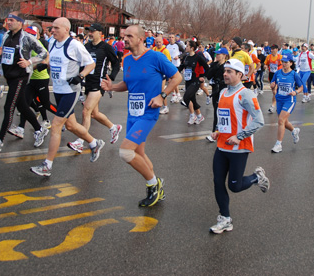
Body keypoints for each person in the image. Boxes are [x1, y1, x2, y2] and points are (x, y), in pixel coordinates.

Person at [101, 24, 182, 207]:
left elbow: (177, 78)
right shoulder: (127, 59)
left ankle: (153, 185)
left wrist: (162, 96)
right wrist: (112, 87)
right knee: (139, 153)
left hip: (148, 112)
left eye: (129, 36)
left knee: (125, 152)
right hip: (133, 113)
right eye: (124, 36)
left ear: (140, 38)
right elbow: (128, 84)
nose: (125, 39)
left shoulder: (156, 57)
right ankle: (156, 183)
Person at [30, 18, 105, 177]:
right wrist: (44, 65)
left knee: (57, 125)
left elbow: (90, 64)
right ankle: (94, 143)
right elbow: (53, 60)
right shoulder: (52, 42)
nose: (53, 30)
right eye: (52, 27)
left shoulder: (75, 45)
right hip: (58, 89)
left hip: (71, 91)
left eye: (56, 28)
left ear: (66, 29)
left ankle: (47, 166)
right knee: (70, 125)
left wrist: (80, 76)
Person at [209, 58, 267, 234]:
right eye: (225, 71)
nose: (225, 74)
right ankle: (225, 219)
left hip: (239, 148)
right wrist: (218, 130)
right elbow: (224, 116)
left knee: (234, 186)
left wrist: (239, 136)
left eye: (229, 72)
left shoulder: (246, 94)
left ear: (240, 75)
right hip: (222, 146)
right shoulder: (222, 93)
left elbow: (259, 121)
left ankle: (257, 178)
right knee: (218, 182)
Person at [0, 13, 50, 151]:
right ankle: (40, 130)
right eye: (8, 20)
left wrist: (29, 62)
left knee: (8, 107)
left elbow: (43, 53)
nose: (8, 22)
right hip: (9, 75)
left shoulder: (27, 37)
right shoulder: (6, 35)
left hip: (20, 76)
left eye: (12, 20)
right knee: (23, 107)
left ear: (20, 22)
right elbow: (5, 52)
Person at [67, 23, 122, 153]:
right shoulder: (86, 46)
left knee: (86, 111)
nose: (90, 33)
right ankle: (113, 127)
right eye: (89, 31)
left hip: (99, 83)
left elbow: (116, 63)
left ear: (100, 33)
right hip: (89, 83)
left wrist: (111, 78)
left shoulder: (106, 47)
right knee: (94, 113)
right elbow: (81, 63)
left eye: (92, 31)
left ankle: (81, 141)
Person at [270, 53, 303, 153]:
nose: (284, 64)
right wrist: (272, 86)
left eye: (286, 62)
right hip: (280, 99)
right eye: (282, 62)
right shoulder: (278, 73)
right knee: (284, 121)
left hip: (289, 100)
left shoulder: (294, 74)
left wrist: (296, 92)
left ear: (291, 63)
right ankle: (294, 131)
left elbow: (301, 87)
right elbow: (273, 85)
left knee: (280, 120)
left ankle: (278, 144)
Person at [178, 40, 209, 124]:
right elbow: (181, 67)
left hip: (195, 81)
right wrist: (173, 72)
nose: (186, 47)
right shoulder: (186, 57)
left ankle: (193, 115)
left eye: (187, 46)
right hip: (188, 80)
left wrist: (202, 76)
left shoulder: (198, 57)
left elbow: (206, 67)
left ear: (192, 48)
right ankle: (199, 116)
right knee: (192, 99)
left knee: (186, 97)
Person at [205, 47, 229, 142]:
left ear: (224, 55)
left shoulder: (228, 66)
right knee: (216, 111)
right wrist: (215, 65)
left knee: (222, 112)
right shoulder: (214, 64)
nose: (217, 55)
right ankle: (216, 133)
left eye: (219, 54)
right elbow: (208, 75)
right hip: (216, 90)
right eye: (216, 54)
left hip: (225, 90)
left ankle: (217, 133)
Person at [264, 44, 282, 113]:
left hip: (278, 75)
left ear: (277, 49)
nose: (272, 50)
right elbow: (266, 63)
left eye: (273, 49)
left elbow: (285, 65)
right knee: (274, 92)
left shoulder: (280, 57)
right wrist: (265, 66)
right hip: (271, 75)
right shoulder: (269, 57)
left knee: (275, 91)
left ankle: (272, 106)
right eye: (271, 49)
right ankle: (278, 104)